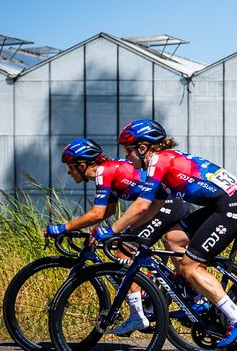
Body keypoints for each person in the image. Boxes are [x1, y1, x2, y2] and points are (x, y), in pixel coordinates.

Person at [101, 119, 237, 347]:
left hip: (231, 208)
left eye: (128, 150)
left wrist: (111, 230)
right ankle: (198, 298)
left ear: (142, 148)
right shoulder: (168, 160)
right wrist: (127, 233)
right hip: (222, 206)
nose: (127, 157)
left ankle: (236, 316)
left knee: (188, 266)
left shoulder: (158, 161)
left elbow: (142, 205)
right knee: (173, 238)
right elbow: (154, 206)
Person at [47, 138, 191, 335]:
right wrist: (99, 231)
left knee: (123, 250)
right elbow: (108, 211)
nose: (68, 173)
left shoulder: (102, 172)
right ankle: (192, 294)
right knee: (169, 247)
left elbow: (97, 213)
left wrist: (63, 227)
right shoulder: (109, 169)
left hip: (162, 206)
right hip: (169, 204)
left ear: (82, 165)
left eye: (70, 168)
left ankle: (136, 315)